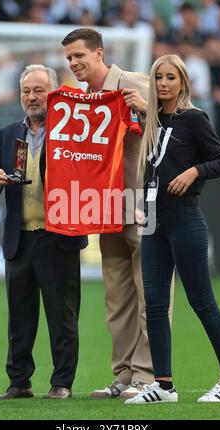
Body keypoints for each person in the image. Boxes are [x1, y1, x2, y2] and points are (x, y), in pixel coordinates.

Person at [125, 54, 220, 404]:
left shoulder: (194, 118)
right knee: (156, 305)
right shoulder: (150, 122)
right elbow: (149, 172)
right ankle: (163, 385)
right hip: (152, 222)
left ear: (183, 82)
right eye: (159, 77)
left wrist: (194, 171)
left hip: (184, 219)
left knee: (202, 301)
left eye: (170, 78)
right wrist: (138, 203)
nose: (163, 83)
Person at [61, 28, 174, 399]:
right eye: (69, 59)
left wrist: (147, 109)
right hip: (108, 208)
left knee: (151, 293)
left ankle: (148, 376)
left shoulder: (136, 83)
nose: (74, 64)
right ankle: (123, 375)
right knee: (118, 297)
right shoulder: (81, 101)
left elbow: (184, 121)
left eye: (79, 56)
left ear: (99, 53)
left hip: (144, 204)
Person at [0, 64, 87, 400]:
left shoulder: (72, 131)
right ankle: (19, 382)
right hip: (19, 238)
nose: (31, 97)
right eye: (26, 91)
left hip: (58, 236)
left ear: (53, 93)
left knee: (63, 315)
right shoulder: (8, 133)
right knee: (20, 318)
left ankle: (62, 384)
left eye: (38, 90)